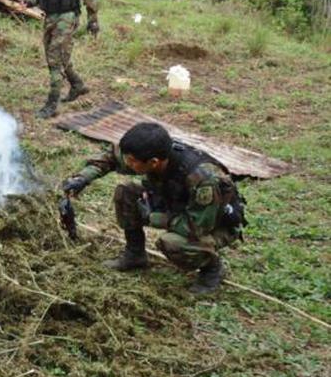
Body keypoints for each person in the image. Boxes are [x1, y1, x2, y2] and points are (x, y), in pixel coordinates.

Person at [62, 122, 246, 294]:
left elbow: (198, 225)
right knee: (126, 193)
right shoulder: (146, 152)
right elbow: (111, 157)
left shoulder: (203, 179)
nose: (127, 164)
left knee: (173, 243)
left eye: (132, 161)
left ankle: (212, 268)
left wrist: (154, 218)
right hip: (176, 203)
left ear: (154, 162)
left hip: (214, 223)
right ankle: (135, 255)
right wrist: (82, 179)